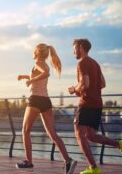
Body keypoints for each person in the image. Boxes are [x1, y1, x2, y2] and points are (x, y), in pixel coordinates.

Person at [17, 43, 77, 174]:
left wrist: (31, 81)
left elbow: (46, 74)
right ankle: (68, 160)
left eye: (34, 49)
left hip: (35, 100)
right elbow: (40, 75)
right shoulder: (42, 64)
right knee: (52, 134)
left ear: (37, 52)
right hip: (46, 101)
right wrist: (25, 77)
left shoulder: (39, 63)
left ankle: (28, 161)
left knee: (25, 131)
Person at [68, 38, 122, 174]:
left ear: (80, 47)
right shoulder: (95, 63)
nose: (73, 51)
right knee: (91, 136)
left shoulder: (82, 64)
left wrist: (74, 89)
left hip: (86, 104)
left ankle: (93, 168)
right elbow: (103, 83)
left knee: (79, 134)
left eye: (74, 48)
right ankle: (119, 144)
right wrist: (88, 88)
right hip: (97, 104)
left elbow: (85, 84)